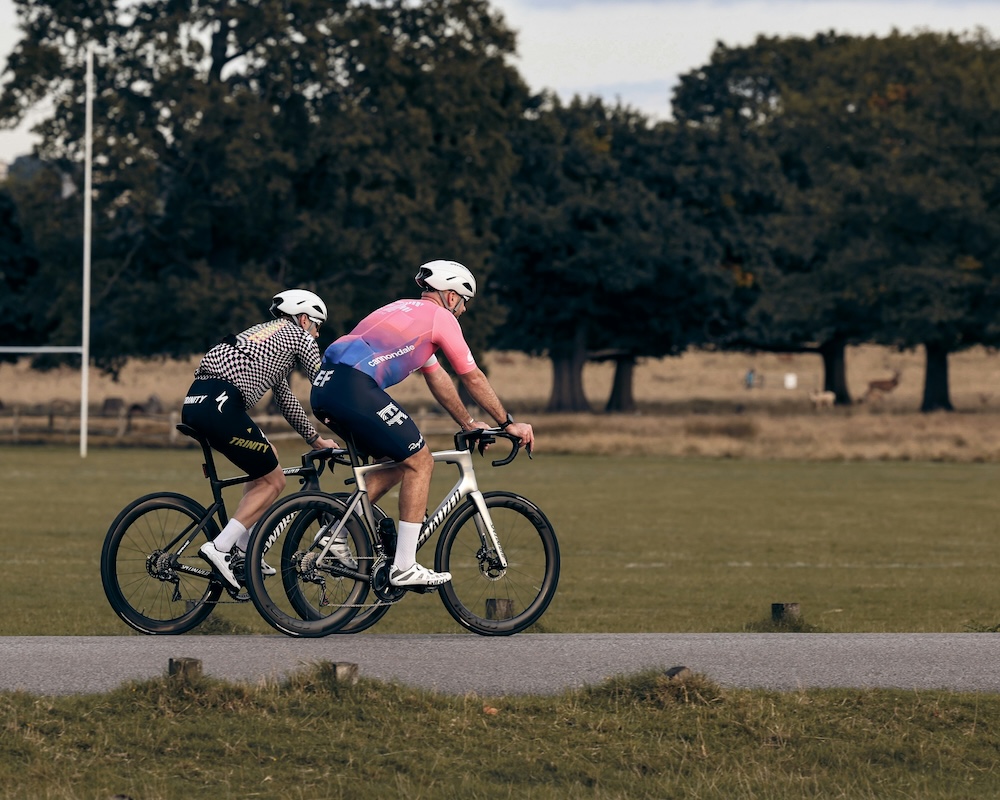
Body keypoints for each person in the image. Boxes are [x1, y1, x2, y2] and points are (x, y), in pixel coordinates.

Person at [310, 260, 535, 588]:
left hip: (324, 388)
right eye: (463, 302)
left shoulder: (402, 310)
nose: (462, 311)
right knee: (420, 461)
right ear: (450, 295)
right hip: (355, 388)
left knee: (396, 460)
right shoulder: (440, 317)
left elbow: (437, 375)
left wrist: (469, 422)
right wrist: (507, 422)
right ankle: (402, 566)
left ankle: (335, 533)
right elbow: (470, 376)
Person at [182, 289, 338, 591]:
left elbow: (286, 400)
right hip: (221, 403)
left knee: (269, 457)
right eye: (317, 326)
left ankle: (242, 549)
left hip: (197, 400)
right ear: (304, 319)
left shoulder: (265, 338)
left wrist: (316, 440)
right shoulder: (298, 336)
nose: (317, 335)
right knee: (274, 482)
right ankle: (222, 547)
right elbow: (323, 385)